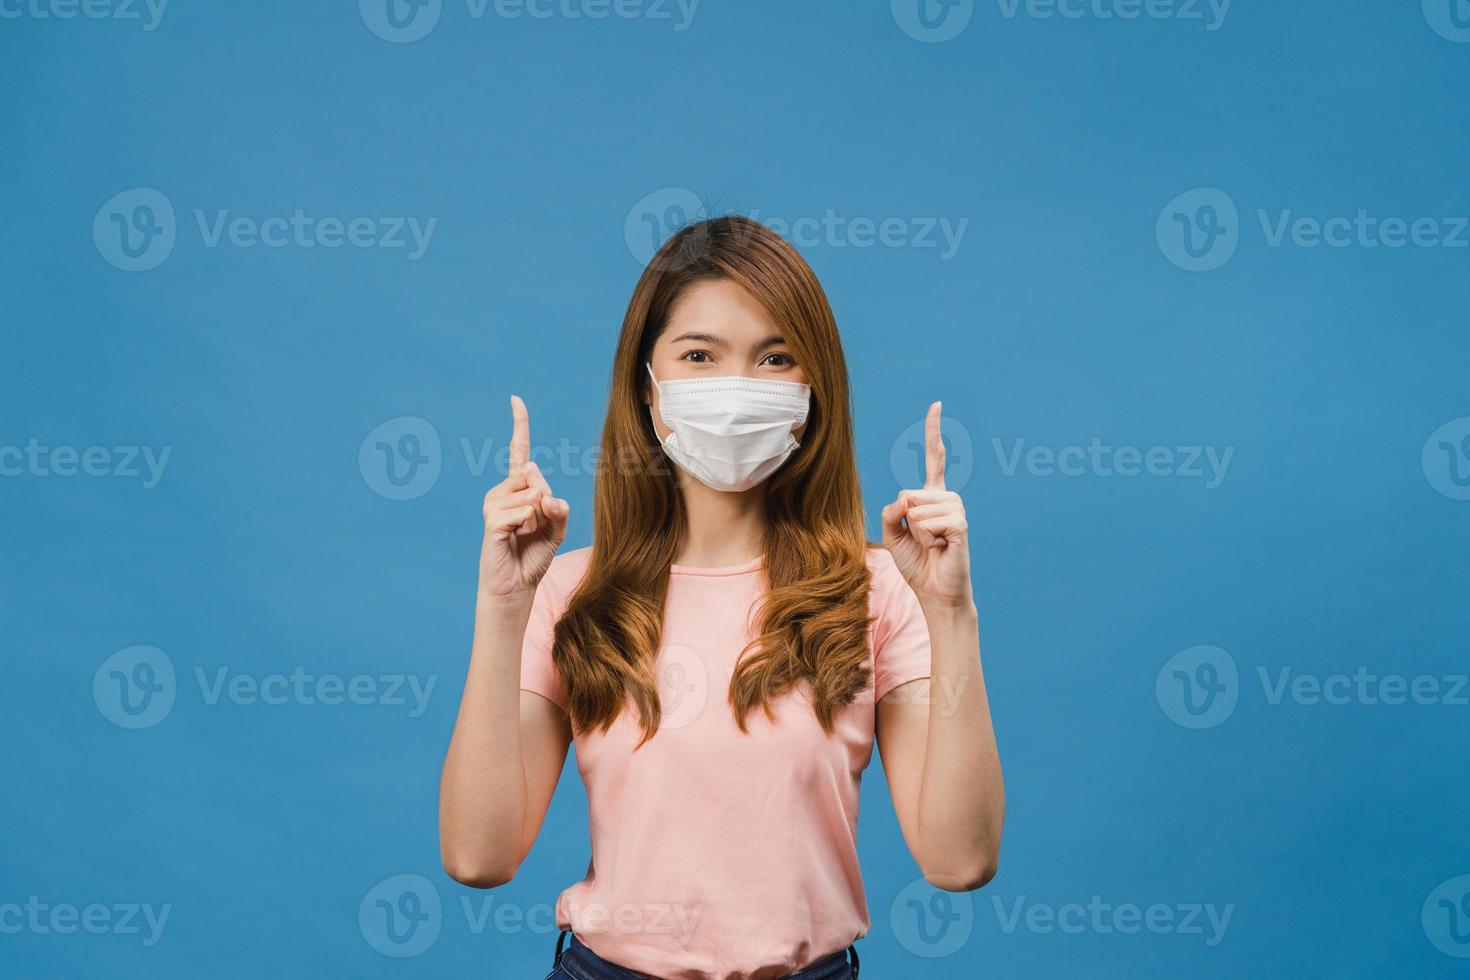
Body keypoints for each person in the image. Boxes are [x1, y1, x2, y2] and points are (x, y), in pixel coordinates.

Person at [438, 215, 1004, 980]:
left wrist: (951, 616)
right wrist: (502, 607)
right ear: (648, 386)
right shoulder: (573, 590)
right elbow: (479, 855)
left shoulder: (876, 592)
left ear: (814, 389)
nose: (735, 390)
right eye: (699, 355)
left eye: (774, 358)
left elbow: (959, 860)